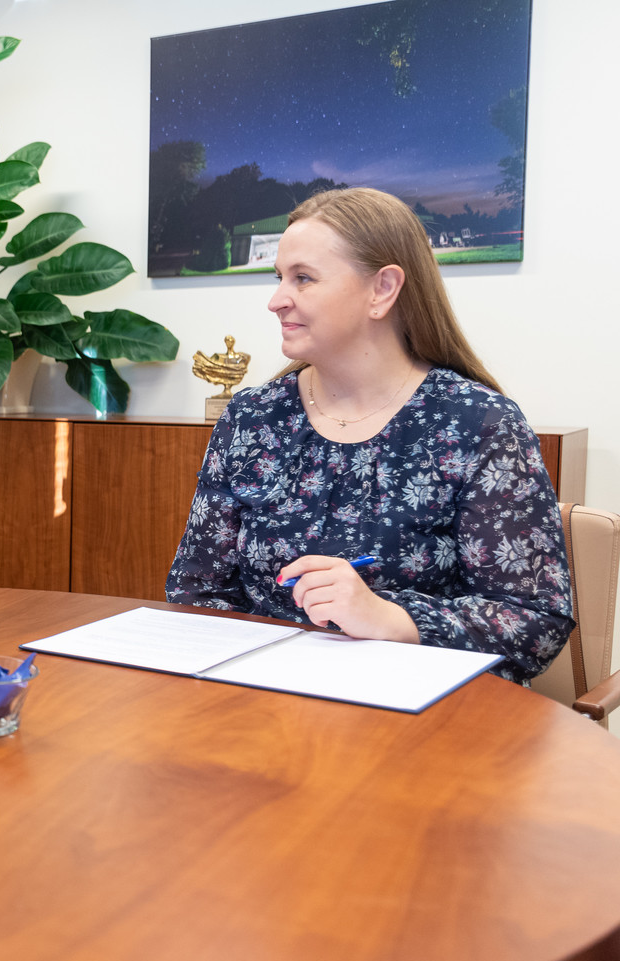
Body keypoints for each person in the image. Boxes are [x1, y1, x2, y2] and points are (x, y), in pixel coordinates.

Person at [166, 187, 571, 684]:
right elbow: (195, 591)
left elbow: (535, 622)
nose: (276, 301)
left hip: (422, 710)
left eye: (303, 278)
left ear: (382, 289)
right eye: (279, 278)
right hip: (265, 701)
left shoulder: (480, 423)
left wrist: (389, 618)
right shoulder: (251, 417)